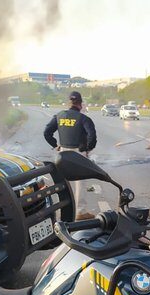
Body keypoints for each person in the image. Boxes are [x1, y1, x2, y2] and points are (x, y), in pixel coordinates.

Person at [43, 91, 97, 220]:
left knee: (65, 182)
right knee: (80, 183)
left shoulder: (59, 116)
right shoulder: (84, 118)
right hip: (78, 152)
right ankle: (80, 212)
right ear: (80, 104)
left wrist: (56, 145)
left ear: (69, 102)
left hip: (63, 153)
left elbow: (46, 132)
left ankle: (65, 211)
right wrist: (88, 148)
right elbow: (92, 136)